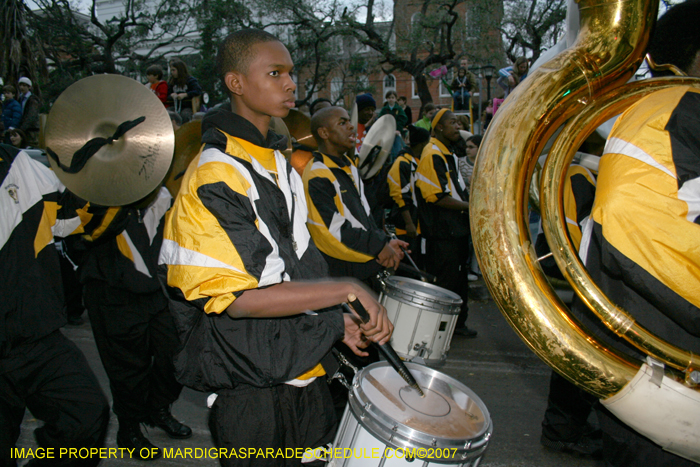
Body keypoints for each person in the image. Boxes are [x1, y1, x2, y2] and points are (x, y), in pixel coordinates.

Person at [158, 29, 392, 467]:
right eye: (275, 73)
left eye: (291, 73)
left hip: (301, 371)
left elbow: (296, 273)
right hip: (253, 390)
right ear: (236, 83)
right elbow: (242, 302)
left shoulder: (277, 164)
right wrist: (349, 290)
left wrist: (335, 324)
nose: (291, 84)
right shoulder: (214, 174)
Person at [1, 143, 110, 467]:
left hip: (34, 335)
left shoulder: (19, 162)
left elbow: (67, 220)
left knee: (86, 418)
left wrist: (88, 177)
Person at [69, 186, 192, 460]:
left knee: (175, 357)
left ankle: (158, 409)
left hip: (157, 292)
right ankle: (129, 429)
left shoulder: (163, 194)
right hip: (112, 294)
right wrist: (115, 201)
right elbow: (78, 239)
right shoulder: (94, 192)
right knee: (127, 369)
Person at [303, 106, 407, 283]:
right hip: (343, 271)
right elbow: (334, 230)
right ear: (324, 133)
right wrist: (378, 247)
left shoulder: (349, 166)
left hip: (363, 263)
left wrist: (385, 242)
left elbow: (365, 216)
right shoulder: (317, 174)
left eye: (349, 121)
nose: (351, 127)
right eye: (342, 123)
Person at [415, 109, 475, 337]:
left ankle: (456, 325)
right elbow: (436, 196)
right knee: (446, 282)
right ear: (439, 127)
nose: (457, 126)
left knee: (457, 280)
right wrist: (470, 207)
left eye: (458, 122)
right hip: (442, 233)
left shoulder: (445, 152)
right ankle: (441, 330)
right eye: (452, 122)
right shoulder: (432, 154)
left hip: (454, 231)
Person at [386, 124, 430, 260]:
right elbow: (400, 195)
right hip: (406, 225)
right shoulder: (402, 163)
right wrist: (409, 223)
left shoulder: (416, 161)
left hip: (417, 223)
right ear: (422, 144)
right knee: (408, 261)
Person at [16, 77, 42, 147]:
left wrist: (22, 129)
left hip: (31, 131)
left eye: (24, 86)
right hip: (23, 130)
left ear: (29, 87)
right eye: (21, 85)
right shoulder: (20, 99)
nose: (22, 87)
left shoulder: (33, 100)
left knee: (31, 148)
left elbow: (31, 116)